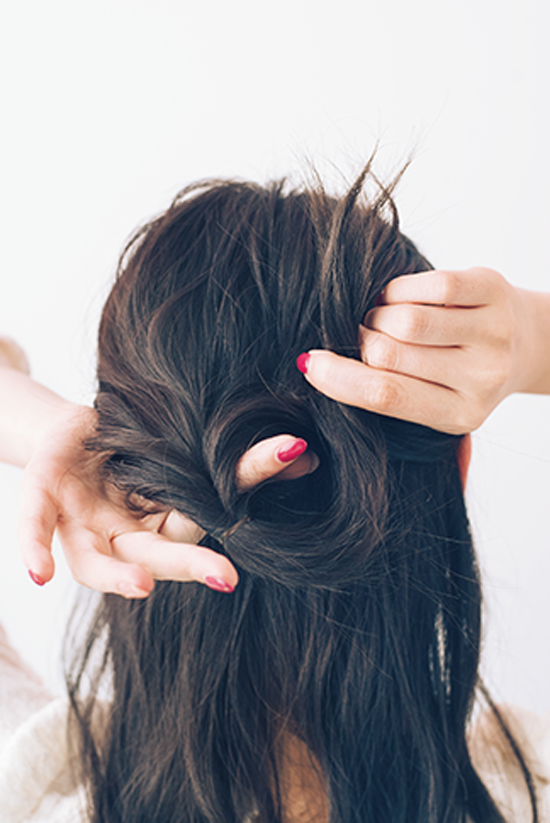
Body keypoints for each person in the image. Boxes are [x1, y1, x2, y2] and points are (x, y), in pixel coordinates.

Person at [0, 166, 549, 822]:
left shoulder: (32, 786)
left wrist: (52, 432)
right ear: (458, 466)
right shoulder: (532, 787)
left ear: (133, 489)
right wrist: (533, 339)